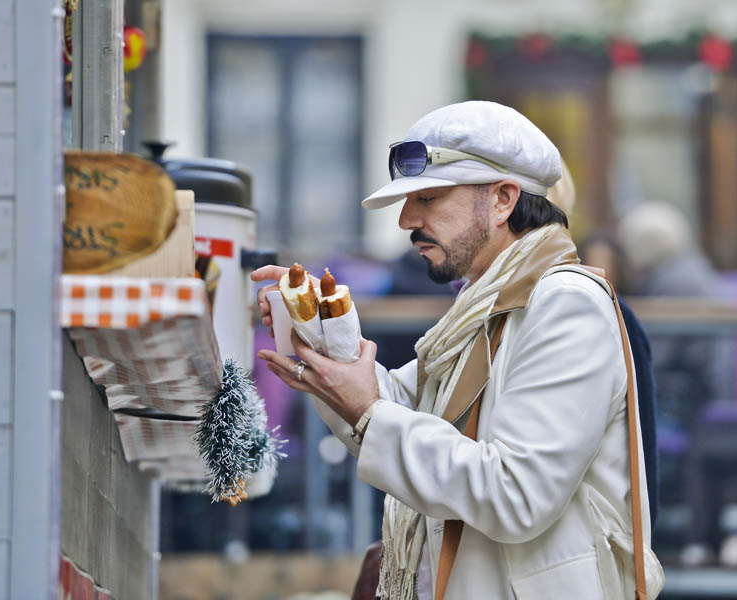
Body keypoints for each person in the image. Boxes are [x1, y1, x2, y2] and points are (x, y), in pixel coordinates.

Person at [252, 101, 662, 599]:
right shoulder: (485, 301)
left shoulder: (564, 304)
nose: (406, 219)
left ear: (503, 200)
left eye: (427, 197)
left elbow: (517, 496)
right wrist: (317, 328)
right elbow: (395, 411)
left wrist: (366, 408)